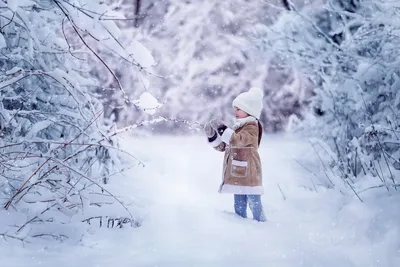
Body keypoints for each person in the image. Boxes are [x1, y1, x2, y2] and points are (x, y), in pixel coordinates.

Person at [204, 87, 266, 222]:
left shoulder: (252, 127)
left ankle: (262, 225)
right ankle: (240, 225)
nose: (235, 112)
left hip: (249, 172)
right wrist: (213, 137)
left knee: (254, 202)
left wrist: (222, 128)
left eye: (238, 109)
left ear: (249, 110)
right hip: (239, 171)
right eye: (235, 109)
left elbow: (238, 140)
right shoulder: (239, 127)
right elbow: (226, 146)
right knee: (239, 203)